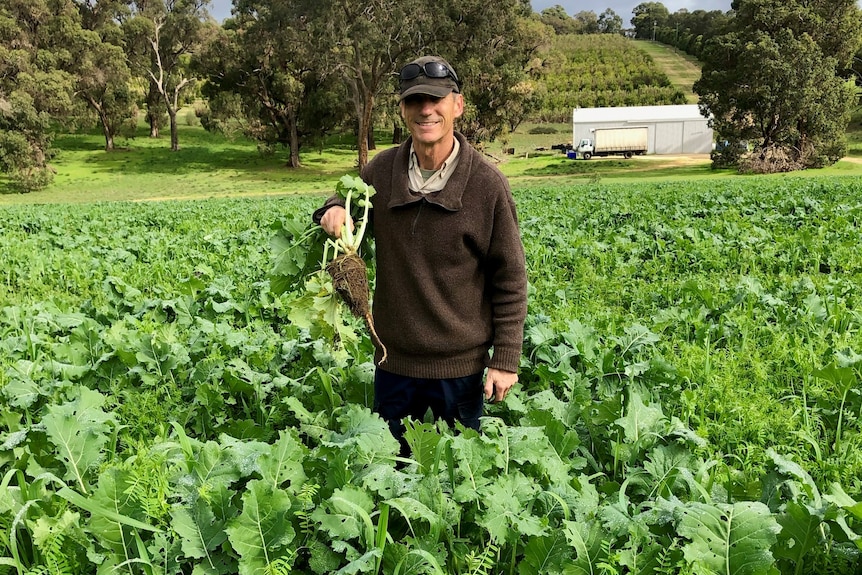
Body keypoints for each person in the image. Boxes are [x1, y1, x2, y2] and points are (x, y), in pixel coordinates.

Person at [313, 55, 527, 453]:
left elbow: (510, 278)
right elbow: (343, 196)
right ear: (403, 110)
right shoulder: (382, 170)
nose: (426, 109)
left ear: (456, 105)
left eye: (436, 99)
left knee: (453, 485)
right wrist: (333, 208)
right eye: (415, 101)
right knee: (389, 479)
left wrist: (506, 358)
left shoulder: (486, 185)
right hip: (393, 364)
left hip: (459, 372)